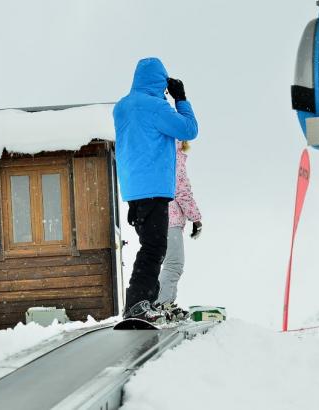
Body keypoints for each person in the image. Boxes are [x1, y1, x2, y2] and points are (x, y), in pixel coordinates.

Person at [113, 57, 198, 323]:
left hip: (133, 190)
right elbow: (189, 130)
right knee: (154, 247)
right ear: (161, 82)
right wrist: (180, 98)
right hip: (154, 188)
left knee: (150, 245)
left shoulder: (122, 107)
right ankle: (137, 303)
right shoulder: (156, 107)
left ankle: (144, 302)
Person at [155, 140, 202, 318]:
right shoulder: (175, 156)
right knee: (174, 264)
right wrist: (196, 219)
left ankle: (167, 303)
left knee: (169, 263)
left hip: (158, 218)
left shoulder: (161, 154)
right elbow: (182, 190)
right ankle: (162, 304)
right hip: (171, 218)